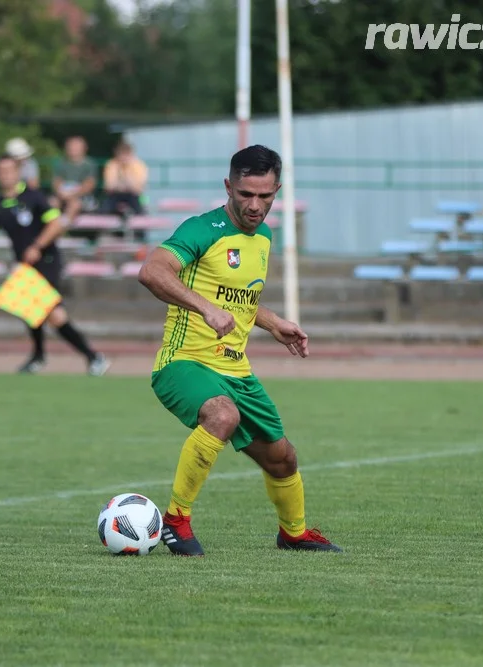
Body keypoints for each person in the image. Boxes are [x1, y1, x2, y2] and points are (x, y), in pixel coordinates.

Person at [137, 145, 341, 556]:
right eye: (245, 194)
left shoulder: (263, 237)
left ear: (277, 191)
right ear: (228, 186)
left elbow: (238, 301)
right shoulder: (202, 229)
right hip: (184, 362)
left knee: (283, 459)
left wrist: (274, 323)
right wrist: (204, 308)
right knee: (222, 415)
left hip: (237, 370)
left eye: (265, 196)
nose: (254, 205)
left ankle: (294, 533)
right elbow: (151, 271)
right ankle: (176, 520)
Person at [0, 155, 111, 376]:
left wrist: (37, 246)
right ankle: (40, 357)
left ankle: (94, 357)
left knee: (51, 313)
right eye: (1, 171)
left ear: (18, 172)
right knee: (31, 311)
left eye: (10, 170)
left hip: (47, 260)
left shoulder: (33, 197)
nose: (6, 175)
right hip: (25, 265)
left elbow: (55, 224)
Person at [51, 136, 98, 225]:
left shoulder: (89, 164)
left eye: (76, 147)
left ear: (84, 148)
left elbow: (89, 185)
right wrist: (61, 192)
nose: (73, 149)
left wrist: (73, 194)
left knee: (75, 204)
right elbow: (56, 181)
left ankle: (62, 227)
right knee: (52, 203)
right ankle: (51, 226)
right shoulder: (61, 163)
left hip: (81, 197)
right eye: (71, 146)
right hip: (63, 195)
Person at [102, 141, 148, 216]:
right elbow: (109, 187)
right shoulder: (112, 165)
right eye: (121, 154)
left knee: (140, 208)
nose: (123, 158)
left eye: (125, 154)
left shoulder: (139, 165)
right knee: (104, 209)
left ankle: (140, 224)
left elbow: (138, 189)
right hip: (115, 195)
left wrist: (126, 176)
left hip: (133, 196)